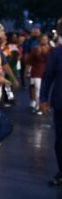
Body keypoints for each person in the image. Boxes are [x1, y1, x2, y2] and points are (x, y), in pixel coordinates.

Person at [41, 18, 62, 186]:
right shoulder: (56, 53)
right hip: (60, 104)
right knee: (60, 141)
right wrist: (43, 99)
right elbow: (47, 78)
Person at [29, 35, 51, 115]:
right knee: (38, 90)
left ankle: (45, 106)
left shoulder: (51, 49)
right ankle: (39, 107)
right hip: (37, 72)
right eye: (43, 39)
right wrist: (27, 71)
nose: (44, 40)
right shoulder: (35, 50)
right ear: (39, 40)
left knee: (46, 90)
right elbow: (29, 61)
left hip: (47, 72)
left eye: (46, 39)